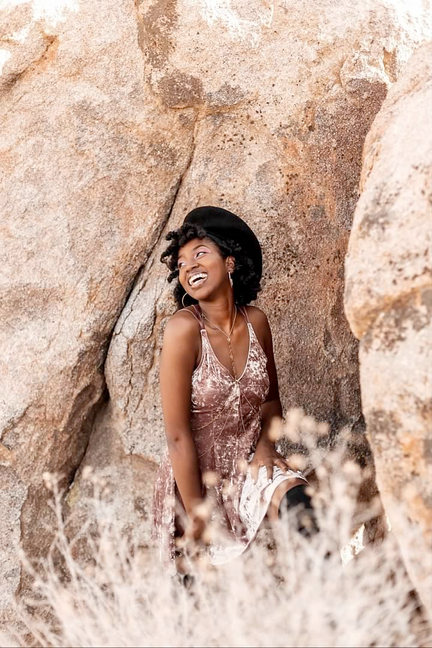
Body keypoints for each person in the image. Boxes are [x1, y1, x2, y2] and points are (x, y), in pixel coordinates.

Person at [152, 206, 316, 571]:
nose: (189, 266)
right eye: (181, 263)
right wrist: (197, 515)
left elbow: (270, 403)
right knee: (204, 593)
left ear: (229, 262)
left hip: (251, 465)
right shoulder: (183, 329)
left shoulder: (256, 321)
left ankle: (334, 598)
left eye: (200, 253)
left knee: (302, 507)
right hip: (195, 481)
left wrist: (266, 447)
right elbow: (177, 435)